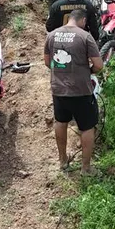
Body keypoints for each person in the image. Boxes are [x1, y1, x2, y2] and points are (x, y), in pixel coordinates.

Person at [44, 9, 103, 174]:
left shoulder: (52, 35)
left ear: (69, 19)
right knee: (87, 127)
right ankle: (86, 168)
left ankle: (63, 161)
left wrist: (62, 70)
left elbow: (48, 62)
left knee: (61, 122)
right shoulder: (85, 36)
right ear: (83, 20)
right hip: (81, 90)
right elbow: (99, 65)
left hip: (58, 89)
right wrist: (88, 71)